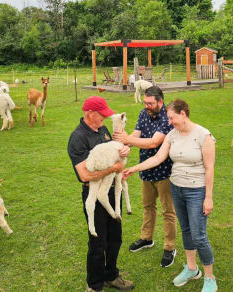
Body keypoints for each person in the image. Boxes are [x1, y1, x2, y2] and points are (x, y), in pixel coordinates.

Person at [123, 99, 217, 292]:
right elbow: (158, 158)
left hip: (196, 191)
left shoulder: (203, 135)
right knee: (186, 231)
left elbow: (209, 169)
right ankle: (192, 269)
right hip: (177, 188)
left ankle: (210, 278)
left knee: (199, 236)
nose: (170, 122)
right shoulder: (172, 135)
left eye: (172, 118)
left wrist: (208, 197)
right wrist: (134, 168)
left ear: (183, 114)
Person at [67, 96, 134, 292]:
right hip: (95, 196)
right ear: (89, 113)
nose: (104, 118)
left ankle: (111, 275)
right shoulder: (78, 138)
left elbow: (117, 149)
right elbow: (85, 175)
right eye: (101, 115)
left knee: (115, 238)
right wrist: (114, 168)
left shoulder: (103, 130)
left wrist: (124, 151)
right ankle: (94, 286)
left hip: (114, 193)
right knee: (98, 243)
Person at [113, 86, 177, 268]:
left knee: (168, 211)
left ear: (160, 102)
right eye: (145, 102)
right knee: (148, 206)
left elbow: (153, 142)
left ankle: (169, 247)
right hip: (146, 169)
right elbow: (135, 135)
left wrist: (127, 140)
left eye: (150, 103)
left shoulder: (167, 118)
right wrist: (125, 144)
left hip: (165, 172)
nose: (147, 106)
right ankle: (147, 238)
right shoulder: (143, 113)